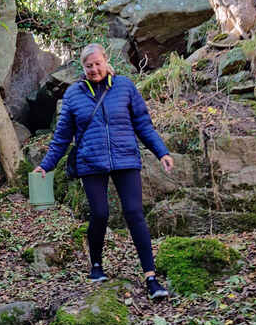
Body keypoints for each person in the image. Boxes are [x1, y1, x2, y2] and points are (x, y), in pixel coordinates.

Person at [33, 43, 174, 299]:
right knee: (99, 214)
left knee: (134, 213)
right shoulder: (74, 95)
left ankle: (151, 276)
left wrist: (161, 151)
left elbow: (143, 124)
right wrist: (46, 164)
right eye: (89, 66)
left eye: (98, 63)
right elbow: (62, 137)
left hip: (125, 159)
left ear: (106, 61)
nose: (94, 69)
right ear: (82, 67)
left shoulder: (125, 87)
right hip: (91, 162)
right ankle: (96, 265)